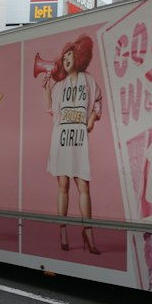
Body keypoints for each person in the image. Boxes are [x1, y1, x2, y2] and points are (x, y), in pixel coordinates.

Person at [43, 35, 103, 254]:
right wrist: (46, 90)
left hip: (78, 140)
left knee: (84, 187)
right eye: (64, 55)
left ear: (78, 57)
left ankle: (88, 233)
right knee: (63, 186)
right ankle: (63, 232)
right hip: (60, 139)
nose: (66, 58)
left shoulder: (89, 80)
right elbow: (52, 110)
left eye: (70, 54)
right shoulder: (59, 87)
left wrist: (91, 120)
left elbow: (97, 103)